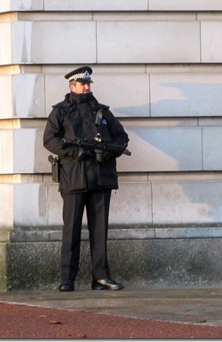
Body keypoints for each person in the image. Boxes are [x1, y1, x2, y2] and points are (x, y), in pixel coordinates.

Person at [43, 66, 129, 291]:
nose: (87, 86)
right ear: (72, 86)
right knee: (70, 230)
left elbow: (121, 137)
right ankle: (67, 279)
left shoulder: (101, 111)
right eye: (83, 84)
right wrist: (74, 152)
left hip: (100, 177)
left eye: (88, 83)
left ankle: (100, 277)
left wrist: (108, 152)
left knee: (99, 230)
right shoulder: (60, 112)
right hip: (73, 177)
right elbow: (49, 140)